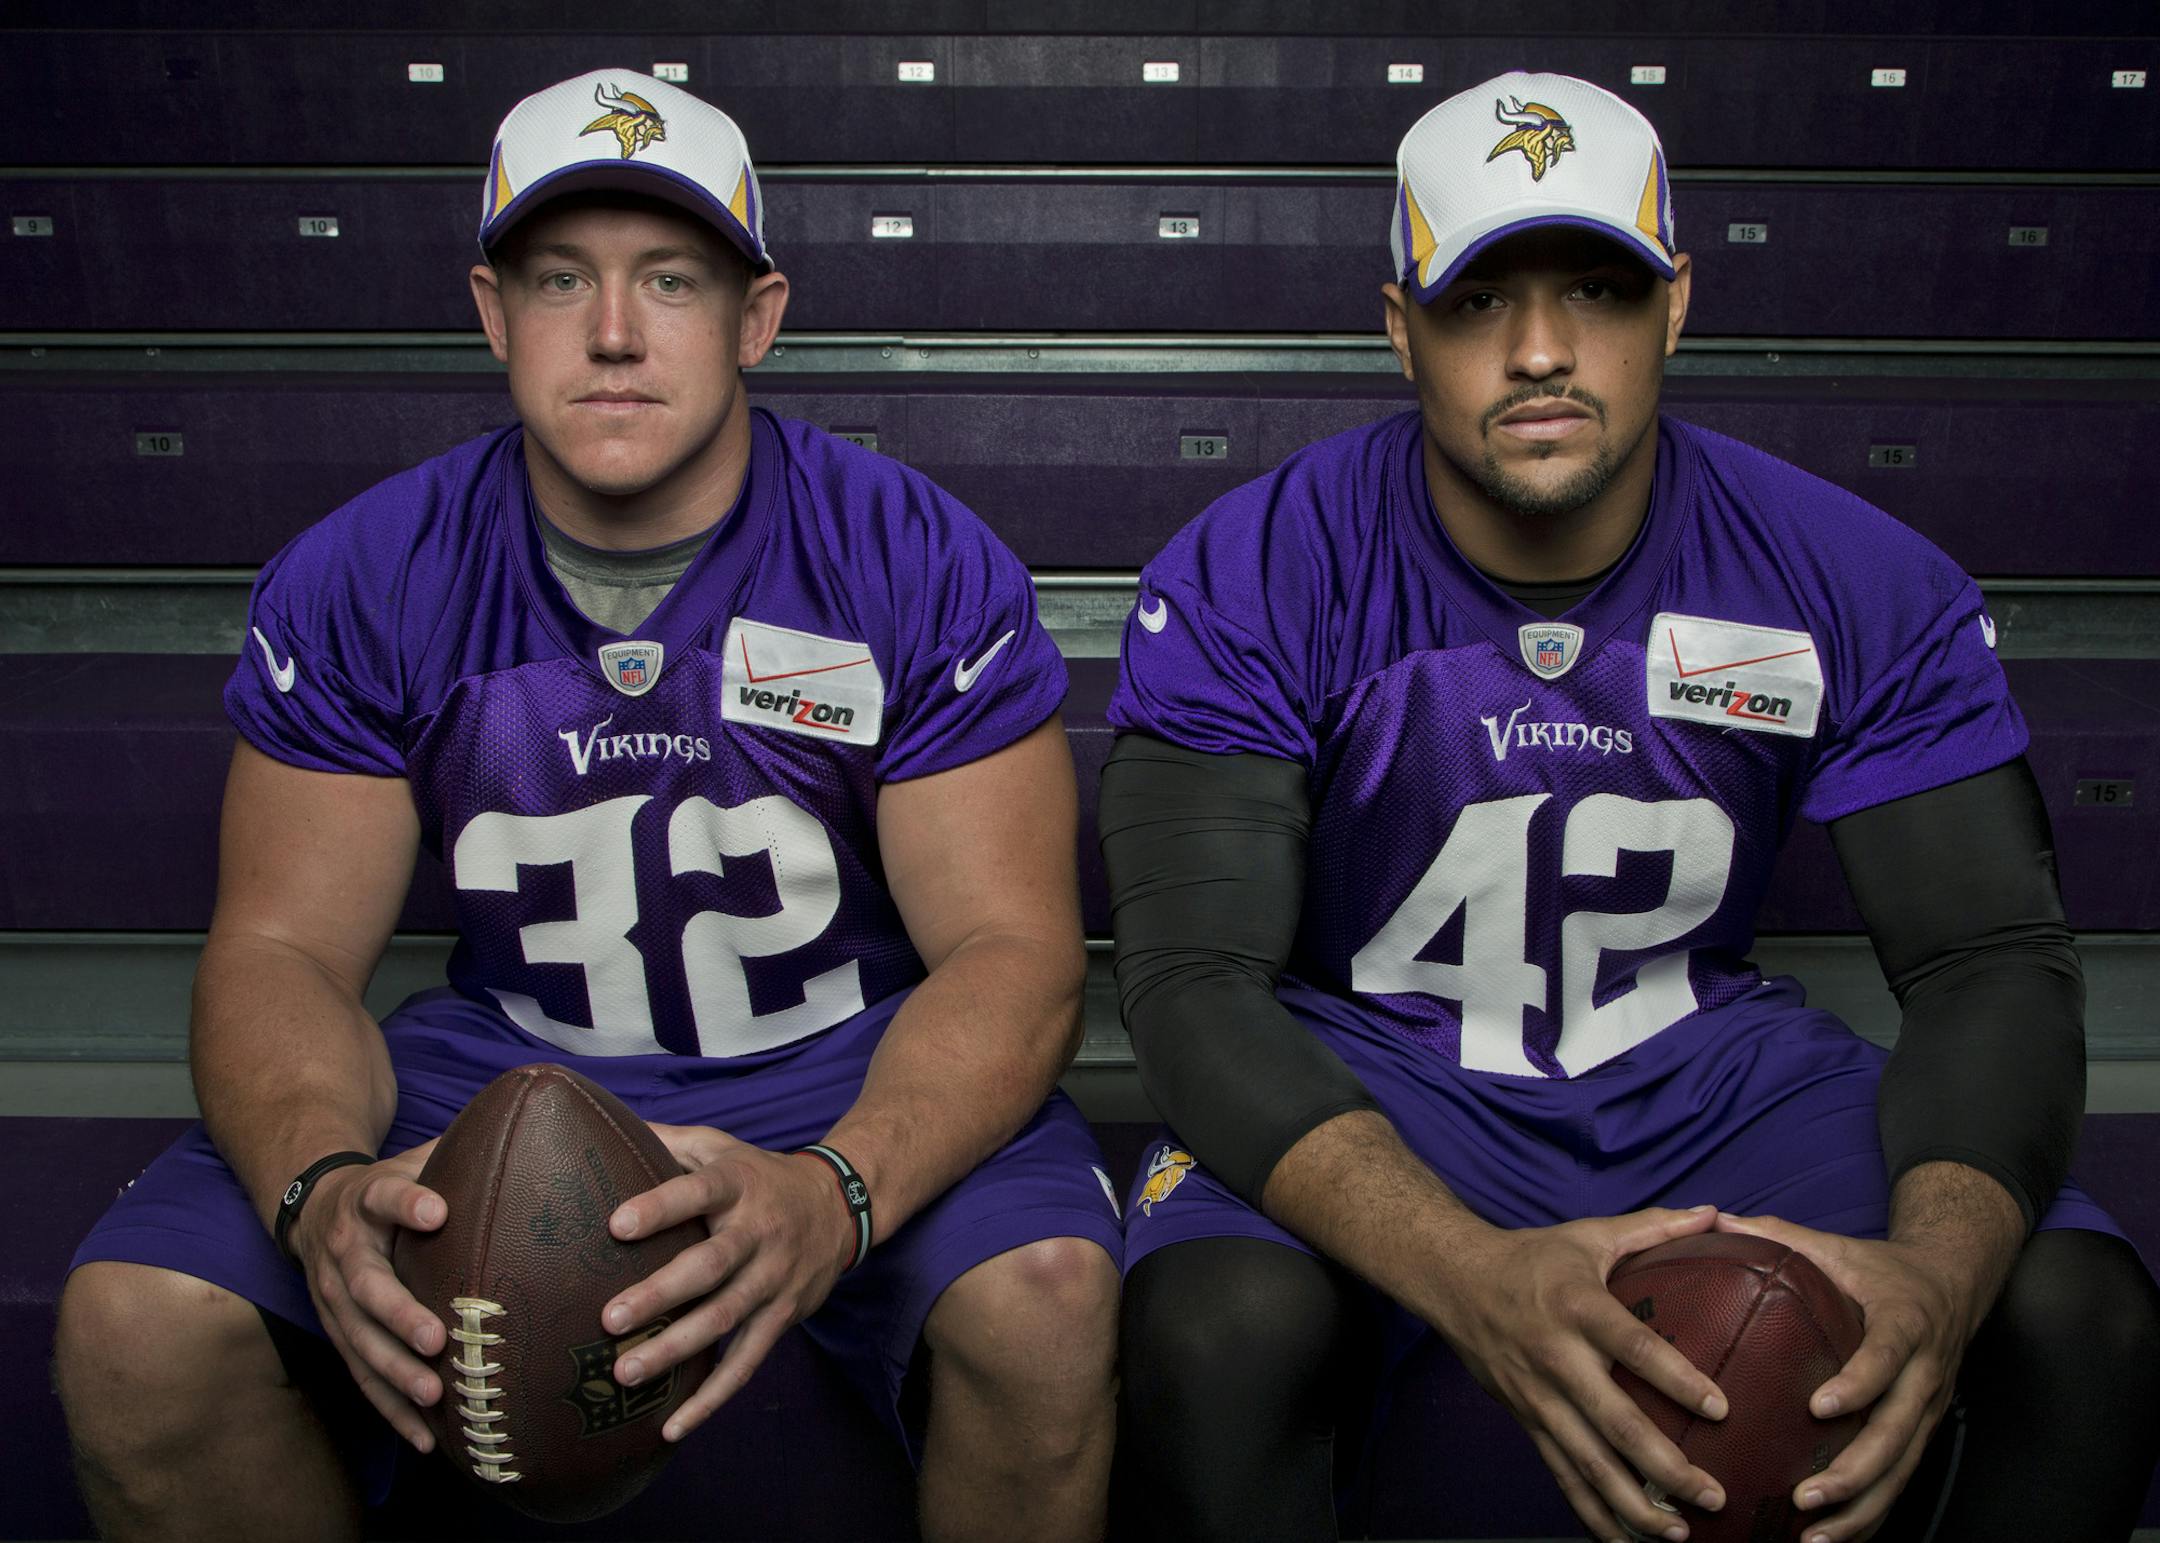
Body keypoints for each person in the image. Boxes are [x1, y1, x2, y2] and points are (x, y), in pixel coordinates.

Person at [53, 69, 1120, 1541]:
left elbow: (1013, 950)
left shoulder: (914, 558)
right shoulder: (369, 572)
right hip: (511, 1061)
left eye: (670, 279)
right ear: (492, 312)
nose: (614, 333)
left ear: (759, 316)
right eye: (563, 279)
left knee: (1050, 1301)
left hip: (840, 1056)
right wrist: (319, 1192)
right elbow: (280, 953)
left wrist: (840, 1191)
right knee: (134, 1324)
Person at [1102, 71, 2160, 1543]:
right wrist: (1467, 1272)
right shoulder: (1257, 566)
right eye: (1479, 302)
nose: (1540, 350)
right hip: (1384, 1059)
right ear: (1400, 326)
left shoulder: (1854, 575)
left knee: (2074, 1313)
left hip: (1702, 1064)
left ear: (1675, 306)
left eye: (1597, 287)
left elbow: (1988, 960)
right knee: (1218, 1327)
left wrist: (1942, 1271)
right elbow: (1192, 981)